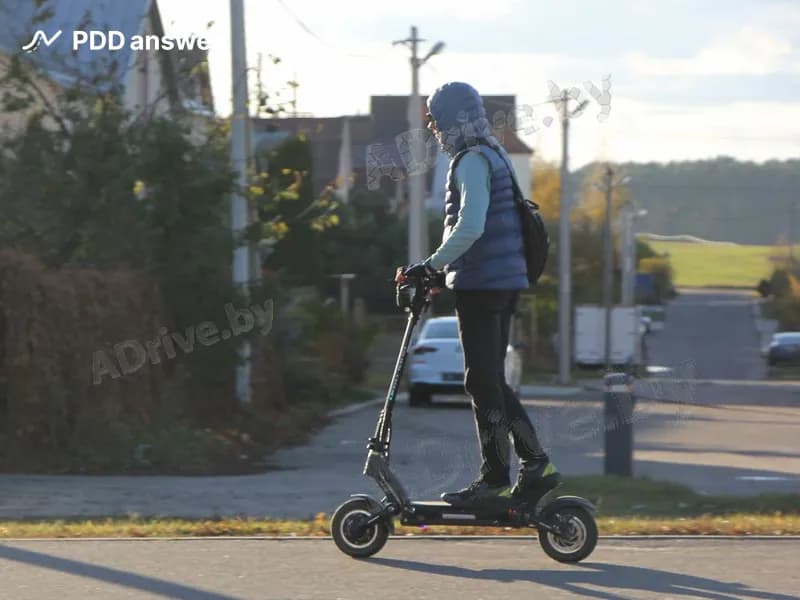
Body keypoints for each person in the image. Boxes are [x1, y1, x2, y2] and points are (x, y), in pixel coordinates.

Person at [398, 82, 560, 507]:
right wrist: (442, 273)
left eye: (434, 117)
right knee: (490, 380)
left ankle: (500, 476)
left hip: (483, 286)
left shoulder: (470, 160)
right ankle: (530, 465)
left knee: (481, 380)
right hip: (501, 281)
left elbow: (470, 226)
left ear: (451, 119)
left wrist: (430, 265)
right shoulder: (493, 154)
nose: (431, 126)